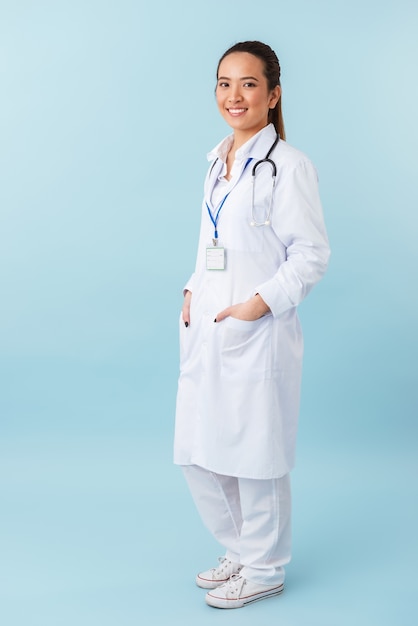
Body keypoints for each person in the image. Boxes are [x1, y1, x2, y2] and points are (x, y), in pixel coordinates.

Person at [173, 40, 330, 609]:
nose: (233, 96)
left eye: (247, 84)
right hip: (207, 324)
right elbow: (212, 239)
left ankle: (265, 567)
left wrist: (258, 305)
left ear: (272, 94)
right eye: (223, 83)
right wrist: (193, 286)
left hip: (255, 330)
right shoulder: (217, 158)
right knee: (199, 447)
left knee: (255, 455)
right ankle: (240, 549)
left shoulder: (288, 166)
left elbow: (310, 254)